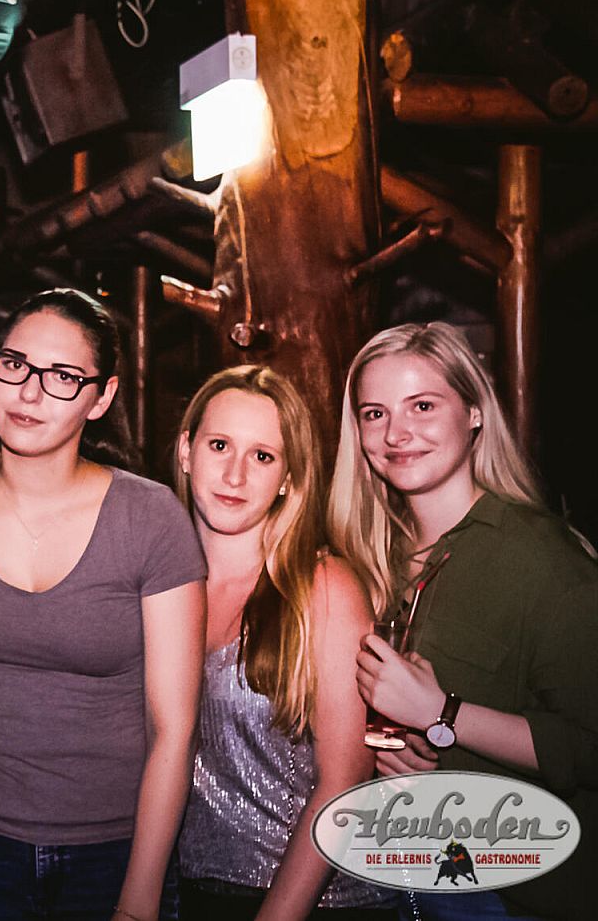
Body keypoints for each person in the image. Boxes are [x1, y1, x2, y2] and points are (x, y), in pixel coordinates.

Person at [0, 287, 204, 921]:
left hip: (114, 850)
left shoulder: (149, 517)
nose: (29, 392)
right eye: (15, 365)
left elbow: (174, 730)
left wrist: (140, 897)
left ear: (102, 397)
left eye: (63, 376)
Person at [329, 321, 598, 921]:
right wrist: (404, 749)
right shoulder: (367, 555)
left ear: (474, 412)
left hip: (513, 891)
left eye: (422, 405)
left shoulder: (540, 558)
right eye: (374, 413)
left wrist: (442, 715)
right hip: (398, 872)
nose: (396, 433)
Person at [172, 366, 393, 920]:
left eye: (262, 456)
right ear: (185, 451)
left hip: (320, 902)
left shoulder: (323, 588)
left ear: (289, 478)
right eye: (219, 445)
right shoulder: (163, 587)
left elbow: (345, 780)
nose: (235, 474)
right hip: (188, 893)